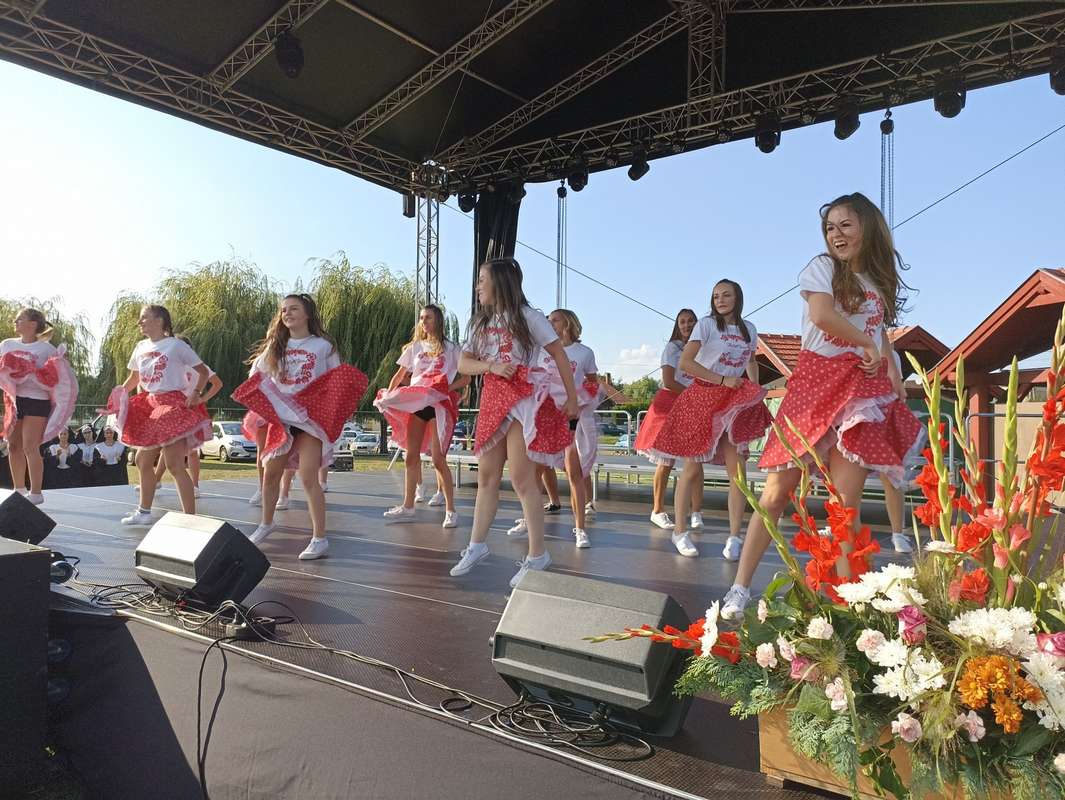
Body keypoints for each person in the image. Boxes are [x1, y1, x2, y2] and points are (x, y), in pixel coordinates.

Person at [720, 193, 923, 619]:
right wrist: (867, 344)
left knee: (845, 506)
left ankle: (849, 605)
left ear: (868, 227)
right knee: (776, 494)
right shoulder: (822, 267)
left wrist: (893, 373)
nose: (836, 234)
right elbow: (821, 315)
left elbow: (881, 337)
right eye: (831, 227)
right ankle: (740, 587)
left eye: (846, 225)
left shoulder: (878, 281)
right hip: (814, 385)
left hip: (860, 390)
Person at [449, 258, 579, 588]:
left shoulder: (528, 317)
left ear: (500, 282)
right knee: (487, 477)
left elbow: (559, 354)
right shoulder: (480, 322)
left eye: (482, 280)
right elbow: (463, 363)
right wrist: (491, 367)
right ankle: (477, 545)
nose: (478, 287)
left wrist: (572, 397)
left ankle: (538, 554)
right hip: (494, 398)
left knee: (522, 480)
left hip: (523, 399)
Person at [233, 293, 366, 560]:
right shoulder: (275, 347)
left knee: (308, 477)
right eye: (284, 310)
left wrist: (332, 412)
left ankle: (319, 538)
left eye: (294, 309)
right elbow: (255, 376)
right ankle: (266, 524)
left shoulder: (322, 346)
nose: (287, 313)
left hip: (309, 419)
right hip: (282, 419)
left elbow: (336, 381)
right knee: (271, 473)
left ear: (307, 314)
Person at [646, 280, 772, 558]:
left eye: (726, 295)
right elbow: (686, 363)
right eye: (716, 296)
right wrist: (722, 379)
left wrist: (754, 389)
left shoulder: (749, 329)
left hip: (734, 400)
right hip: (704, 396)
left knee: (737, 473)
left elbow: (751, 361)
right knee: (691, 468)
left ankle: (735, 536)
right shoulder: (706, 325)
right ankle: (680, 531)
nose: (720, 300)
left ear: (738, 298)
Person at [103, 305, 211, 524]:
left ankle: (191, 518)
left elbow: (202, 372)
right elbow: (134, 378)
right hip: (149, 404)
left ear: (160, 320)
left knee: (174, 465)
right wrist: (119, 395)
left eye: (144, 318)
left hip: (171, 404)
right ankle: (144, 512)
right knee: (142, 460)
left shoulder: (176, 345)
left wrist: (196, 393)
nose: (140, 322)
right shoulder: (140, 347)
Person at [507, 309, 603, 548]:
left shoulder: (584, 352)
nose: (550, 323)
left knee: (574, 472)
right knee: (536, 470)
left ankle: (580, 529)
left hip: (569, 416)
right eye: (548, 320)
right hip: (546, 416)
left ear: (568, 323)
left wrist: (581, 400)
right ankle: (528, 519)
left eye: (555, 319)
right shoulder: (540, 351)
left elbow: (593, 382)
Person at [375, 304, 470, 529]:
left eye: (428, 317)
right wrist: (389, 394)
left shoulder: (452, 348)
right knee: (410, 457)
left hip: (439, 405)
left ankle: (451, 510)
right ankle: (408, 505)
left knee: (438, 459)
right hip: (418, 403)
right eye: (421, 318)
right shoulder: (415, 347)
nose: (423, 322)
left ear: (438, 320)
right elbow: (400, 375)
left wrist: (446, 389)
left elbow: (466, 378)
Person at [634, 308, 704, 530]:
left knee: (696, 459)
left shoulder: (702, 348)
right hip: (671, 403)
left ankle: (696, 512)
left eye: (691, 321)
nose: (687, 325)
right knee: (665, 461)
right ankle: (657, 510)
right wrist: (694, 397)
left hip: (692, 404)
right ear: (677, 325)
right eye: (682, 321)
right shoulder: (672, 348)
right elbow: (669, 381)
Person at [0, 308, 78, 504]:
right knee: (13, 446)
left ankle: (36, 493)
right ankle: (19, 489)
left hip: (37, 400)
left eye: (20, 319)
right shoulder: (7, 345)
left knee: (30, 446)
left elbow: (58, 376)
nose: (15, 321)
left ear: (33, 324)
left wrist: (33, 371)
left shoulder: (46, 349)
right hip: (14, 400)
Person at [152, 344, 222, 498]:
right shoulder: (171, 366)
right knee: (168, 445)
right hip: (174, 410)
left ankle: (195, 486)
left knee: (192, 451)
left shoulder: (199, 367)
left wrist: (202, 398)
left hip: (191, 410)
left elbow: (217, 383)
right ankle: (156, 480)